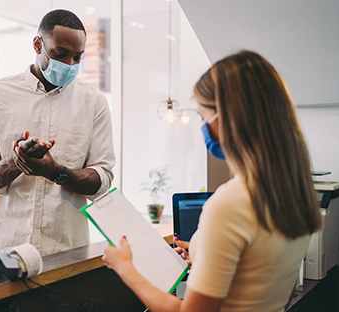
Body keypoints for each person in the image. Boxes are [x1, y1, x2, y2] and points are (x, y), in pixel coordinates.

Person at [102, 51, 323, 312]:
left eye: (202, 116)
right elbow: (267, 286)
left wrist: (125, 267)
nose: (203, 127)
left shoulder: (231, 203)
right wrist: (199, 254)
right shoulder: (296, 192)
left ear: (227, 119)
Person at [0, 9, 115, 256]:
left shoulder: (94, 102)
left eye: (77, 58)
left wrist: (57, 172)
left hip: (66, 251)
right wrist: (16, 162)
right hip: (2, 249)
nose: (69, 65)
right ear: (38, 44)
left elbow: (103, 180)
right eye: (60, 54)